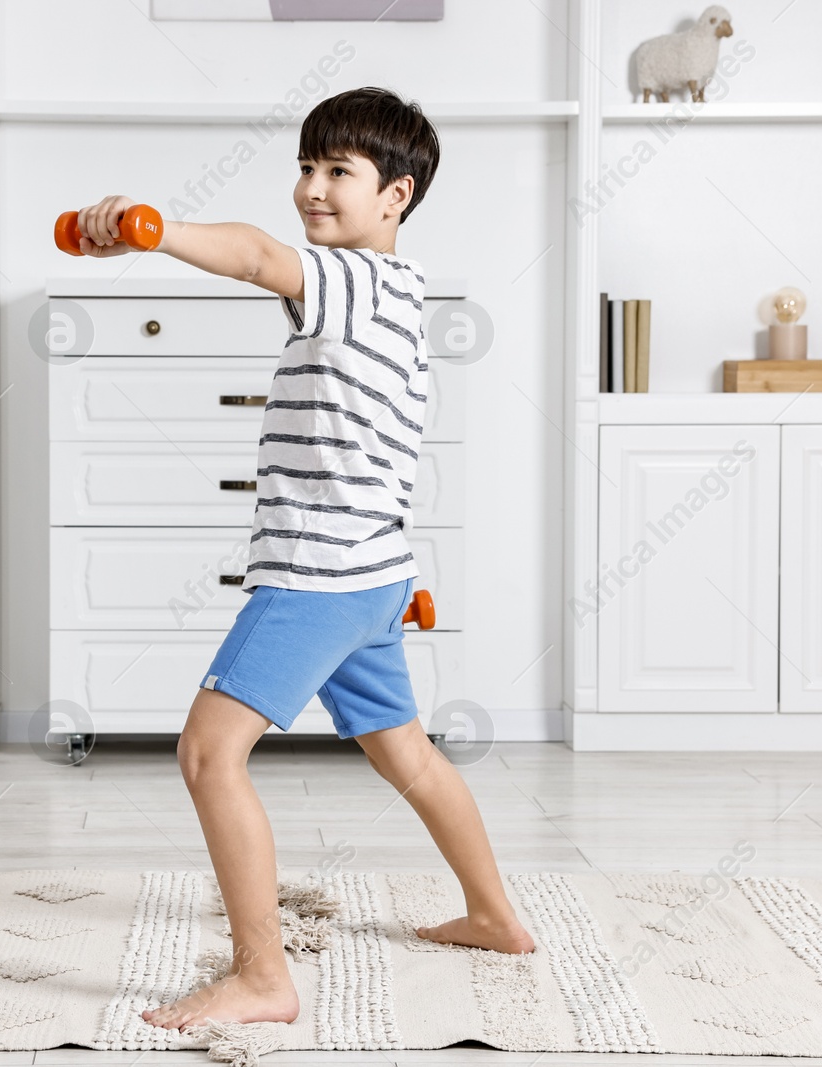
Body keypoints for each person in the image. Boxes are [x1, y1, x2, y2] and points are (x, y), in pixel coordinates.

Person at [69, 86, 535, 1033]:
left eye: (339, 173)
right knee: (407, 753)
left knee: (207, 753)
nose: (313, 188)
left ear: (395, 195)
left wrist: (156, 233)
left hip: (318, 579)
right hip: (375, 574)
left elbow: (255, 255)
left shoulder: (350, 277)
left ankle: (261, 977)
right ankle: (494, 916)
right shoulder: (397, 290)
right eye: (308, 168)